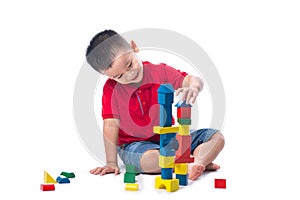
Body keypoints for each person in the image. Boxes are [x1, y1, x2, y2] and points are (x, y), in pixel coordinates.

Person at [86, 30, 225, 180]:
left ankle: (197, 163)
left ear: (133, 48)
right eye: (119, 76)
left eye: (129, 65)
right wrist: (111, 163)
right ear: (108, 76)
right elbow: (111, 125)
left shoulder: (160, 72)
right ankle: (187, 162)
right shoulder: (111, 90)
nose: (129, 74)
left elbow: (193, 79)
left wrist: (193, 88)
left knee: (216, 137)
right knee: (151, 158)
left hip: (170, 138)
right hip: (135, 145)